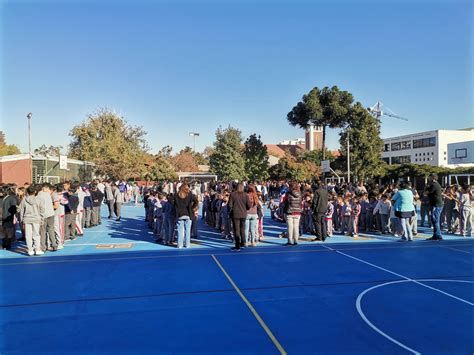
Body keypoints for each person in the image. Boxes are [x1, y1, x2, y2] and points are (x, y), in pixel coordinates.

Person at [170, 183, 198, 249]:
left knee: (180, 230)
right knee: (188, 231)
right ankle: (187, 244)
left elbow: (170, 199)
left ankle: (180, 245)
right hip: (188, 214)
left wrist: (175, 206)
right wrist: (192, 208)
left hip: (179, 214)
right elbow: (196, 201)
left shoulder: (176, 194)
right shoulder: (190, 195)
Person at [19, 186, 44, 256]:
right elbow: (42, 210)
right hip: (36, 218)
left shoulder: (24, 199)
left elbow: (21, 210)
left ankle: (30, 250)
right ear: (35, 191)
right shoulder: (39, 199)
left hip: (27, 218)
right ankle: (37, 249)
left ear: (27, 192)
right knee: (36, 234)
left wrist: (21, 220)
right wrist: (42, 218)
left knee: (28, 235)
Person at [228, 183, 252, 251]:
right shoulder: (245, 195)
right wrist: (245, 209)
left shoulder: (233, 194)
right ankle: (243, 243)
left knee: (236, 230)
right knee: (242, 229)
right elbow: (249, 206)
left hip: (235, 214)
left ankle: (237, 246)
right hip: (243, 214)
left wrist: (230, 212)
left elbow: (229, 205)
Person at [37, 183, 57, 251]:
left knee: (42, 231)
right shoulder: (48, 194)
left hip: (44, 215)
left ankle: (43, 247)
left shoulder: (38, 196)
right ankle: (54, 244)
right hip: (51, 214)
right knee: (51, 229)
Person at [425, 173, 444, 241]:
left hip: (436, 205)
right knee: (434, 219)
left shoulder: (434, 185)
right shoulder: (434, 184)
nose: (429, 178)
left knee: (435, 219)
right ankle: (435, 235)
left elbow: (426, 192)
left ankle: (438, 235)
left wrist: (427, 188)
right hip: (435, 204)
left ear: (433, 178)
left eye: (430, 177)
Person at [283, 182, 302, 246]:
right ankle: (296, 240)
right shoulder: (299, 194)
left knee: (290, 227)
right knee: (296, 227)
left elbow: (284, 201)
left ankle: (290, 241)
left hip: (290, 211)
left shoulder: (288, 193)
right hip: (297, 212)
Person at [2, 186, 18, 250]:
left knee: (9, 231)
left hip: (9, 217)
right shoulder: (4, 198)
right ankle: (5, 243)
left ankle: (8, 244)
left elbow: (14, 209)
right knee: (4, 231)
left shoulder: (12, 198)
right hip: (4, 217)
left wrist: (14, 217)